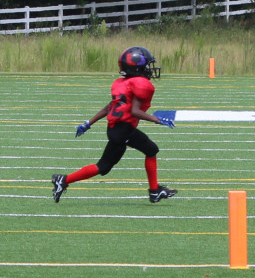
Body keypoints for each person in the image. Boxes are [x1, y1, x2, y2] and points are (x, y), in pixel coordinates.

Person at [52, 46, 176, 203]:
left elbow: (110, 106)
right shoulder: (138, 84)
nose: (149, 69)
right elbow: (135, 111)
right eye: (146, 66)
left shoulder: (123, 84)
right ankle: (63, 180)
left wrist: (88, 123)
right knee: (106, 165)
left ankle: (154, 190)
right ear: (137, 67)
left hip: (118, 130)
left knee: (147, 151)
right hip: (123, 131)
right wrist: (157, 119)